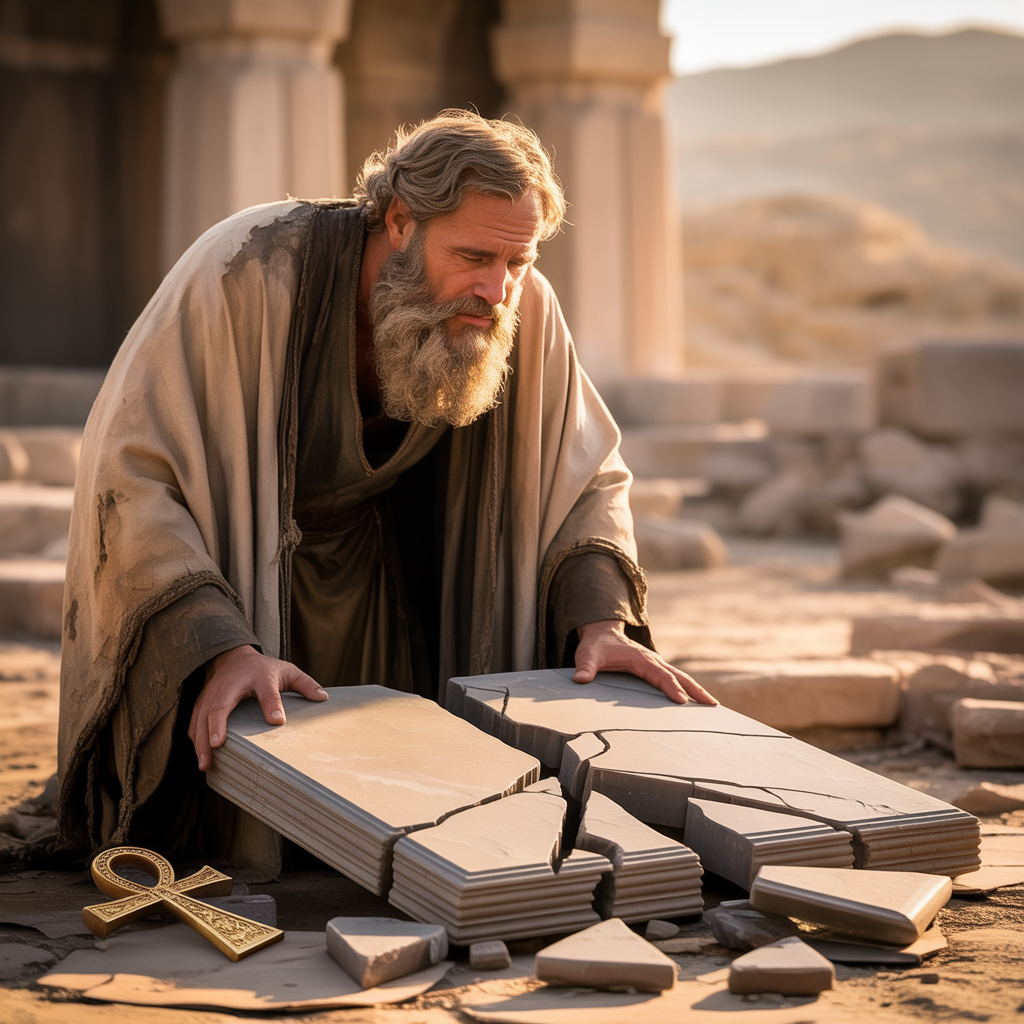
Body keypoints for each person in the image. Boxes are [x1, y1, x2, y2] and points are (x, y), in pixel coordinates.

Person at [57, 110, 715, 862]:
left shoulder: (515, 304)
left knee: (392, 819)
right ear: (399, 220)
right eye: (473, 255)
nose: (497, 289)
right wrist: (222, 649)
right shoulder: (249, 268)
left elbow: (585, 478)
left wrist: (601, 622)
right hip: (235, 581)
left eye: (520, 262)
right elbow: (135, 478)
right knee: (232, 838)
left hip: (379, 604)